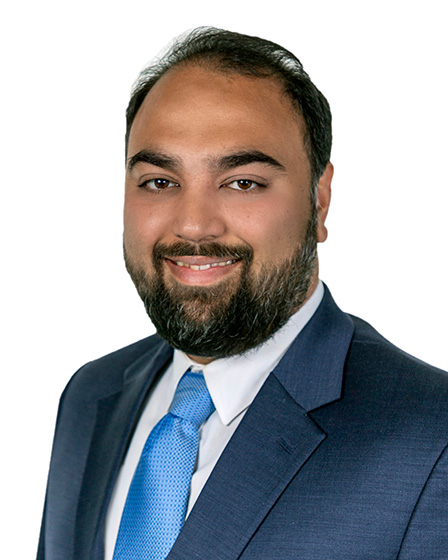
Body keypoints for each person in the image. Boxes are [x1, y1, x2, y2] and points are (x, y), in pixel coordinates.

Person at [37, 27, 448, 560]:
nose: (193, 226)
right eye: (159, 182)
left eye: (243, 182)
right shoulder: (90, 396)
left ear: (318, 200)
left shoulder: (431, 439)